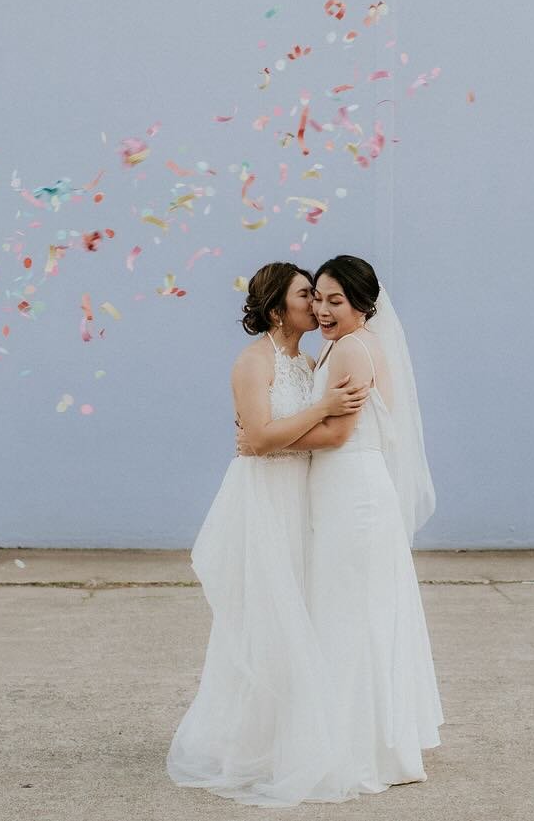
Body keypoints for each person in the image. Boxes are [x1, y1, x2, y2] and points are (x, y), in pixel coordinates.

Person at [166, 261, 368, 807]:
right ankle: (250, 745)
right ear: (278, 307)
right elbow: (256, 438)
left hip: (298, 495)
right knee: (265, 617)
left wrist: (308, 422)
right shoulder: (252, 362)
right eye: (307, 295)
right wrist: (322, 408)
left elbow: (290, 434)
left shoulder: (306, 361)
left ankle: (288, 738)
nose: (318, 304)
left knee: (300, 613)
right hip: (262, 500)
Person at [246, 254, 445, 794]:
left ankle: (358, 749)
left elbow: (337, 435)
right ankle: (363, 737)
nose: (325, 309)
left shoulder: (353, 350)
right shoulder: (336, 348)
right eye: (318, 298)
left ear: (363, 304)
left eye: (337, 300)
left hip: (353, 491)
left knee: (351, 612)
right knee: (345, 609)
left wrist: (265, 442)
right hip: (339, 491)